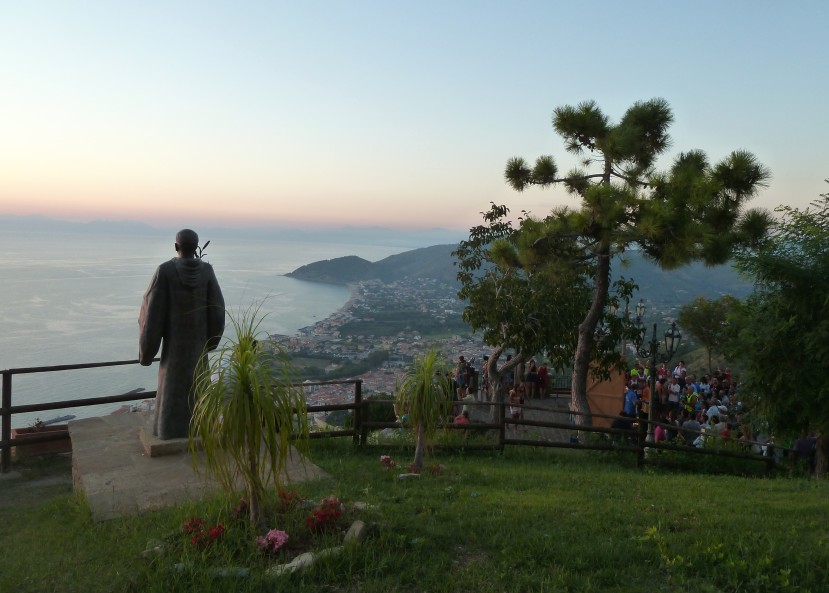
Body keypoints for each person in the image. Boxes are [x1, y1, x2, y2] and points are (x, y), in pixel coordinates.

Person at [139, 229, 225, 440]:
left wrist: (146, 353)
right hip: (198, 347)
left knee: (171, 388)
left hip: (174, 349)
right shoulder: (207, 272)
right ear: (196, 249)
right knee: (198, 387)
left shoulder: (165, 271)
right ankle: (199, 427)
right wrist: (211, 343)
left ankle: (169, 430)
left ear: (176, 247)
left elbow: (152, 315)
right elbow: (217, 310)